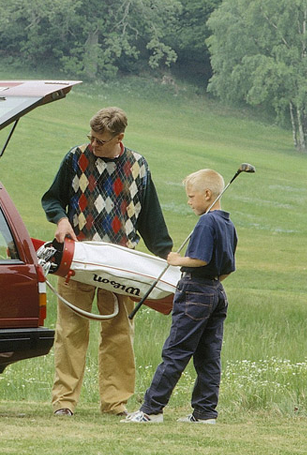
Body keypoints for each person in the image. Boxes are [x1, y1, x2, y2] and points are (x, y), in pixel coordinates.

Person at [41, 107, 172, 416]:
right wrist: (60, 220)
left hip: (121, 265)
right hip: (77, 259)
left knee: (119, 332)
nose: (94, 145)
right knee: (71, 329)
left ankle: (115, 404)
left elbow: (151, 220)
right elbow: (52, 198)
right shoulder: (75, 158)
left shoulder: (139, 166)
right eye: (91, 138)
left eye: (100, 140)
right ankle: (64, 403)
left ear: (119, 137)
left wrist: (168, 256)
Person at [122, 169, 238, 423]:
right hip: (216, 292)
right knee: (209, 356)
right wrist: (211, 285)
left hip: (195, 292)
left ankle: (151, 411)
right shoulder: (228, 224)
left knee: (175, 352)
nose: (189, 201)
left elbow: (200, 258)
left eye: (191, 196)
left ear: (207, 194)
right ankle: (205, 412)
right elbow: (227, 268)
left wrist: (177, 260)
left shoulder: (207, 222)